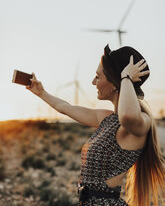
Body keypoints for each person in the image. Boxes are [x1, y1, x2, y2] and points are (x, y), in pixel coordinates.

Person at [26, 44, 165, 206]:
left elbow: (127, 116)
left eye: (97, 76)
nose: (93, 82)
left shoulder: (141, 123)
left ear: (114, 83)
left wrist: (125, 77)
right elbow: (65, 108)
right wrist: (41, 92)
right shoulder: (106, 118)